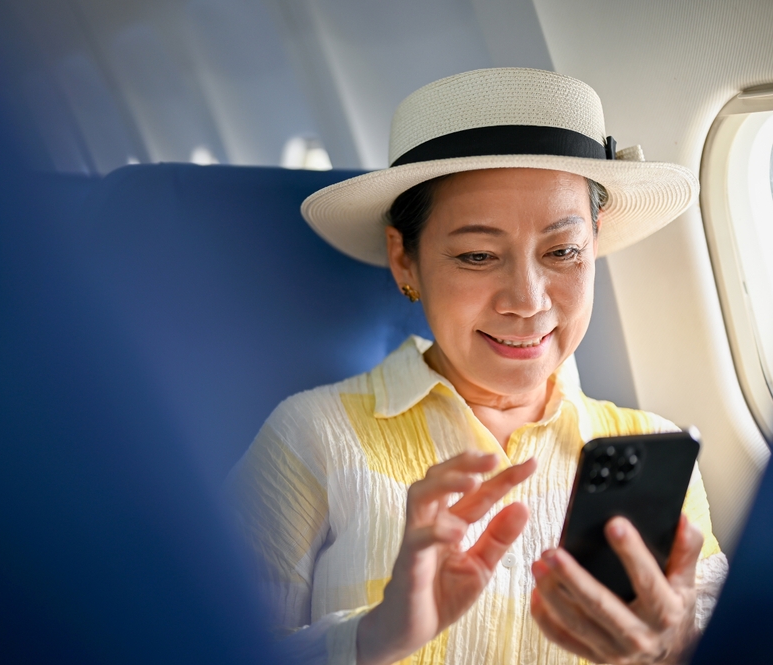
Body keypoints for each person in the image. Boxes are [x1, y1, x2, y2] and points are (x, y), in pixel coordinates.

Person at [226, 68, 727, 665]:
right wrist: (373, 637)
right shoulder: (312, 436)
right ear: (404, 260)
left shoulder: (655, 453)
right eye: (478, 255)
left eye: (563, 252)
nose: (528, 299)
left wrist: (677, 651)